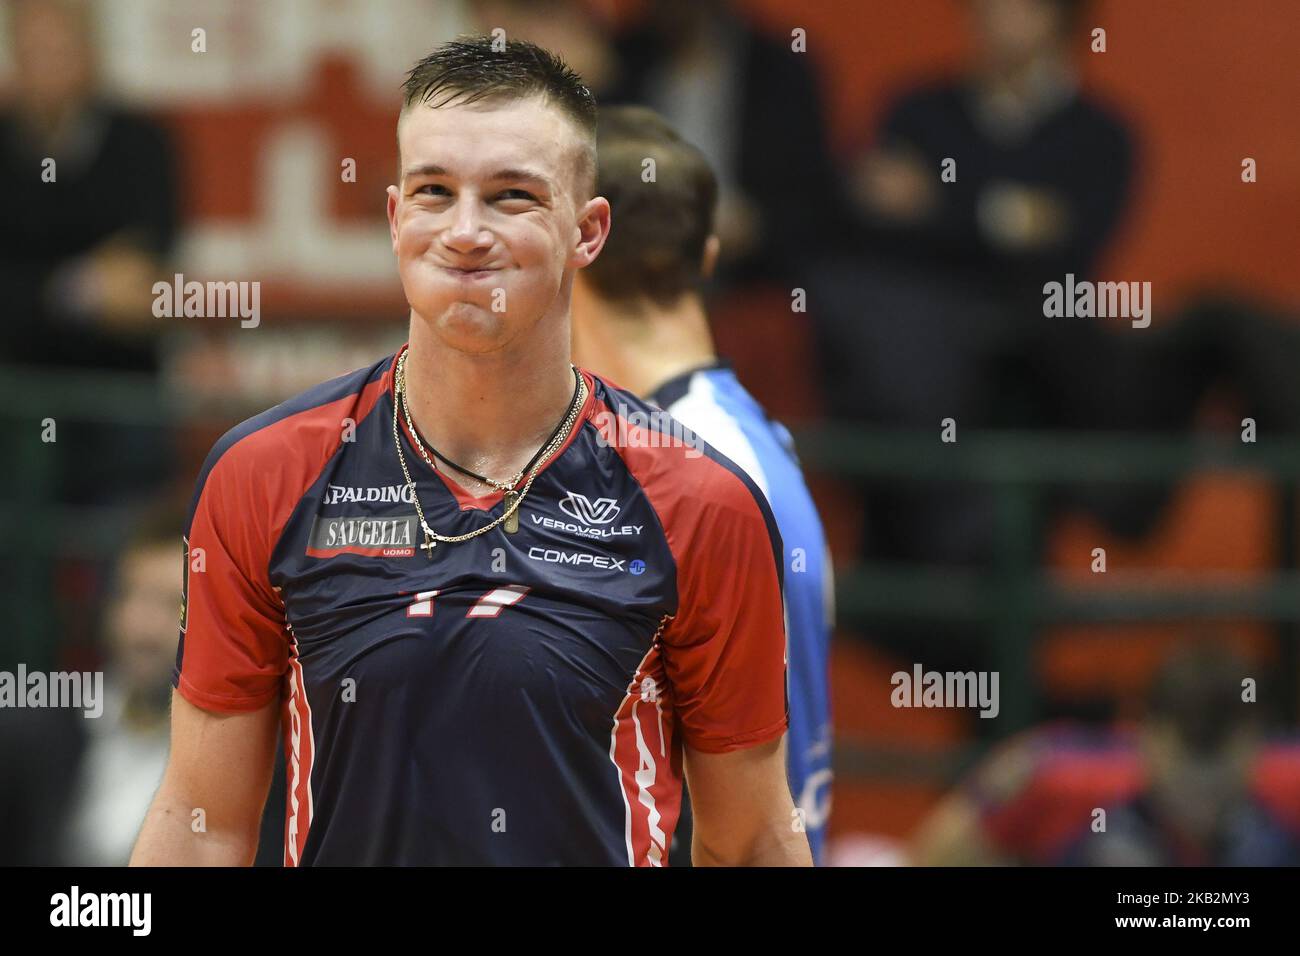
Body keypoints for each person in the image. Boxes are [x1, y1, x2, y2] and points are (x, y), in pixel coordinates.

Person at [131, 37, 810, 867]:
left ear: (588, 231)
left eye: (511, 197)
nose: (464, 232)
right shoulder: (265, 473)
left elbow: (750, 843)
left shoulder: (700, 501)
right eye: (433, 192)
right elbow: (204, 823)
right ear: (393, 218)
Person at [570, 105, 834, 863]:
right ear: (709, 254)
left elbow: (748, 819)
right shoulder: (743, 444)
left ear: (573, 252)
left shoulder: (690, 470)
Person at [911, 641, 1300, 866]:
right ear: (1146, 738)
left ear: (1256, 745)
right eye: (1186, 775)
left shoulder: (1291, 788)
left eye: (1218, 781)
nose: (1201, 803)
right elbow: (935, 856)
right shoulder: (1056, 776)